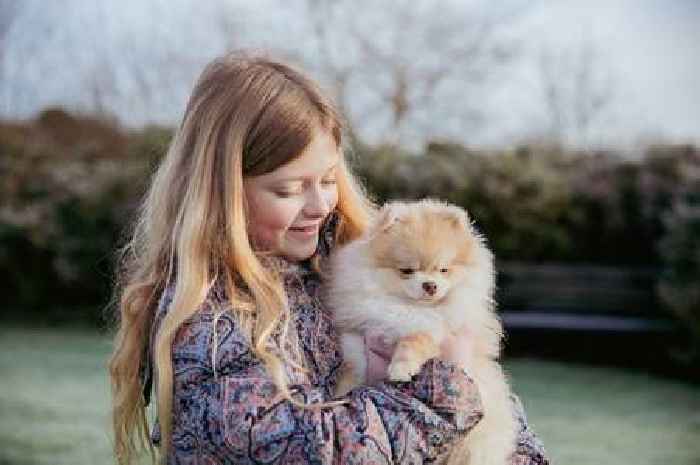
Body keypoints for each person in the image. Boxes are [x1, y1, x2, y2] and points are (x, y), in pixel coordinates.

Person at [108, 51, 549, 465]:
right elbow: (309, 449)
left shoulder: (347, 265)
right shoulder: (211, 316)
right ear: (222, 193)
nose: (320, 204)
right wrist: (445, 390)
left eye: (328, 179)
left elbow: (490, 398)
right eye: (289, 189)